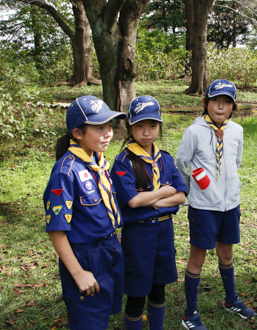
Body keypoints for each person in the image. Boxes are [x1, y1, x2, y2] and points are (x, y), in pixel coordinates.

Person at [175, 79, 256, 330]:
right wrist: (193, 187)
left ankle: (231, 299)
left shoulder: (237, 131)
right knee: (197, 258)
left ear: (233, 106)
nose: (220, 106)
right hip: (203, 207)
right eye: (215, 101)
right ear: (205, 103)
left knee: (226, 253)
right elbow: (181, 162)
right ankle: (190, 313)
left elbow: (236, 161)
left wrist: (228, 189)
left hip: (230, 205)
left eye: (226, 102)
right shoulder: (194, 131)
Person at [43, 95, 126, 330]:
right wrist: (78, 273)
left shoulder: (97, 161)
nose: (108, 133)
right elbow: (56, 229)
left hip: (109, 249)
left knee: (101, 313)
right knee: (89, 319)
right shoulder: (65, 172)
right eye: (100, 128)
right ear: (78, 133)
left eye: (109, 126)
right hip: (86, 257)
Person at [110, 95, 187, 330]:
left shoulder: (165, 158)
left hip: (164, 233)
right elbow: (133, 202)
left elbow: (182, 196)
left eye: (152, 125)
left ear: (159, 126)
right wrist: (165, 192)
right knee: (136, 293)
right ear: (130, 127)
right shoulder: (124, 161)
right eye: (140, 126)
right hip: (139, 236)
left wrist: (151, 200)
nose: (146, 132)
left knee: (158, 289)